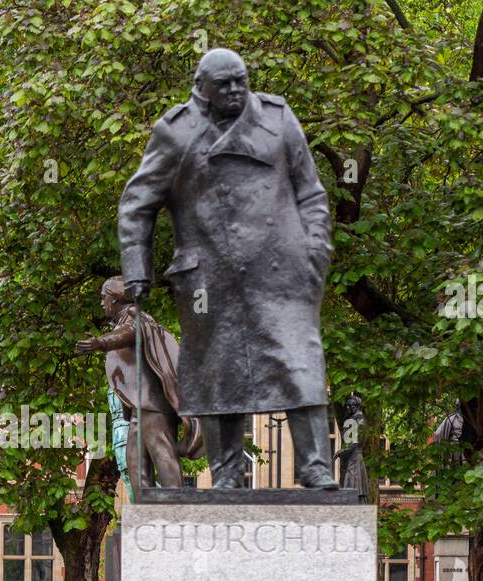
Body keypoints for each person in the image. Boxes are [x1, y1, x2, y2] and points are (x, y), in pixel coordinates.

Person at [117, 47, 338, 490]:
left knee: (301, 362)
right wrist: (137, 270)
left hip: (284, 272)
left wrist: (316, 253)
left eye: (242, 80)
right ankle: (227, 474)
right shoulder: (176, 133)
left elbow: (311, 193)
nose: (237, 90)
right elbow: (136, 205)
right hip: (208, 277)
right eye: (225, 84)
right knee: (220, 372)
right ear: (202, 87)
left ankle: (315, 467)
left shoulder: (277, 119)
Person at [76, 277, 202, 496]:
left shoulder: (137, 318)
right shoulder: (126, 319)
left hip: (152, 405)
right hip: (139, 407)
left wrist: (100, 343)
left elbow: (127, 334)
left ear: (114, 299)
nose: (101, 303)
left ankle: (178, 510)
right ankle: (146, 514)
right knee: (134, 463)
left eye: (103, 297)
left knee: (163, 455)